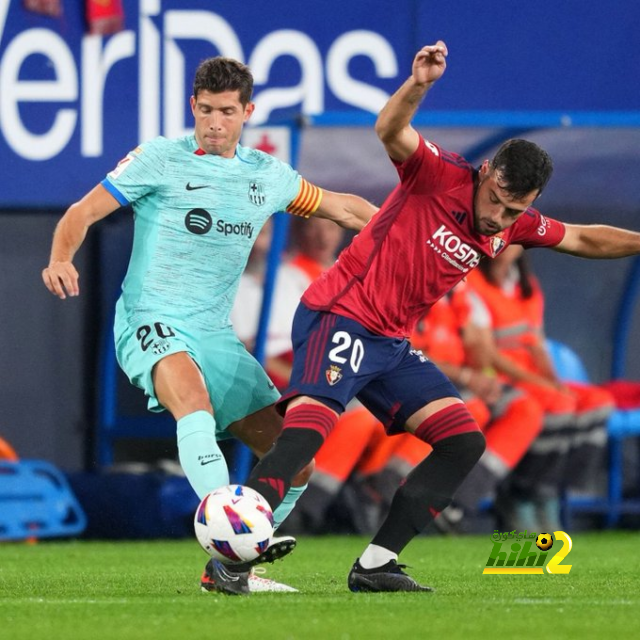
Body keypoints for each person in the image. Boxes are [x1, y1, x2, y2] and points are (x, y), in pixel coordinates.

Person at [233, 40, 640, 594]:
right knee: (313, 427)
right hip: (342, 312)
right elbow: (389, 129)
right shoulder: (436, 172)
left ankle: (376, 564)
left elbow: (584, 238)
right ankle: (229, 561)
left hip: (391, 343)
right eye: (496, 200)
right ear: (487, 171)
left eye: (514, 210)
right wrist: (419, 84)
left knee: (461, 441)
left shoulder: (514, 222)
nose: (499, 218)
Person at [41, 56, 377, 595]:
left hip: (213, 334)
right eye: (204, 110)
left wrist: (406, 233)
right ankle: (227, 534)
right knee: (192, 404)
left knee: (295, 459)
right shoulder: (160, 158)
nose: (214, 122)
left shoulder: (267, 176)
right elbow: (81, 212)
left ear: (248, 112)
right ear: (192, 108)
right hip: (151, 319)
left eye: (226, 111)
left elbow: (341, 209)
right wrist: (61, 258)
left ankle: (230, 570)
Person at [231, 216, 384, 534]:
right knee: (352, 415)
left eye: (266, 233)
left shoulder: (288, 276)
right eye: (252, 232)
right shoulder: (226, 284)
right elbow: (247, 353)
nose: (259, 241)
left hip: (303, 364)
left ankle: (356, 496)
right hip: (257, 377)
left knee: (379, 409)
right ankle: (303, 505)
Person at [465, 245, 616, 530]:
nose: (507, 243)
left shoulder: (527, 286)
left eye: (515, 238)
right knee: (558, 404)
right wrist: (543, 384)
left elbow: (537, 344)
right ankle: (521, 493)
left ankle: (549, 490)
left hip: (533, 378)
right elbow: (486, 353)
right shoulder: (473, 282)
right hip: (499, 378)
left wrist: (555, 381)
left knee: (598, 401)